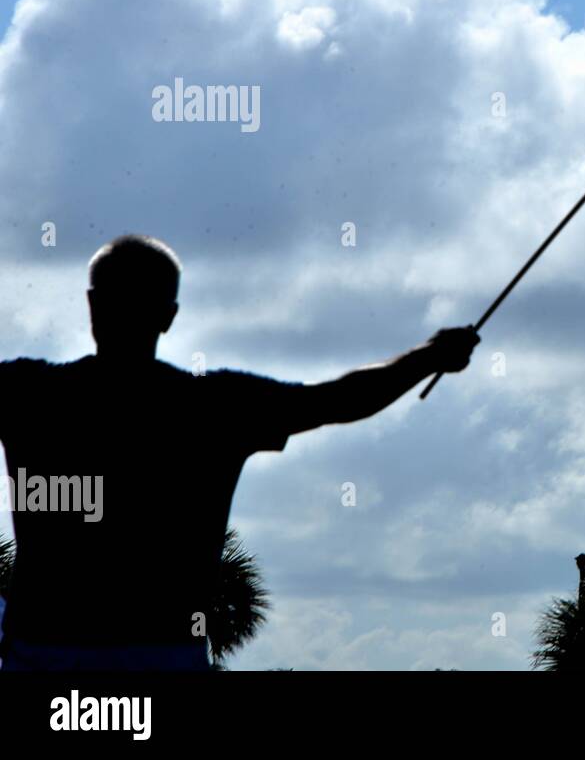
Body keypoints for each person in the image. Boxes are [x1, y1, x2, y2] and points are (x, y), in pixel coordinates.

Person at [0, 234, 478, 670]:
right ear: (169, 316)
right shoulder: (216, 405)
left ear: (92, 305)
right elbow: (337, 400)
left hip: (45, 653)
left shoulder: (26, 393)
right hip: (165, 651)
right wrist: (427, 357)